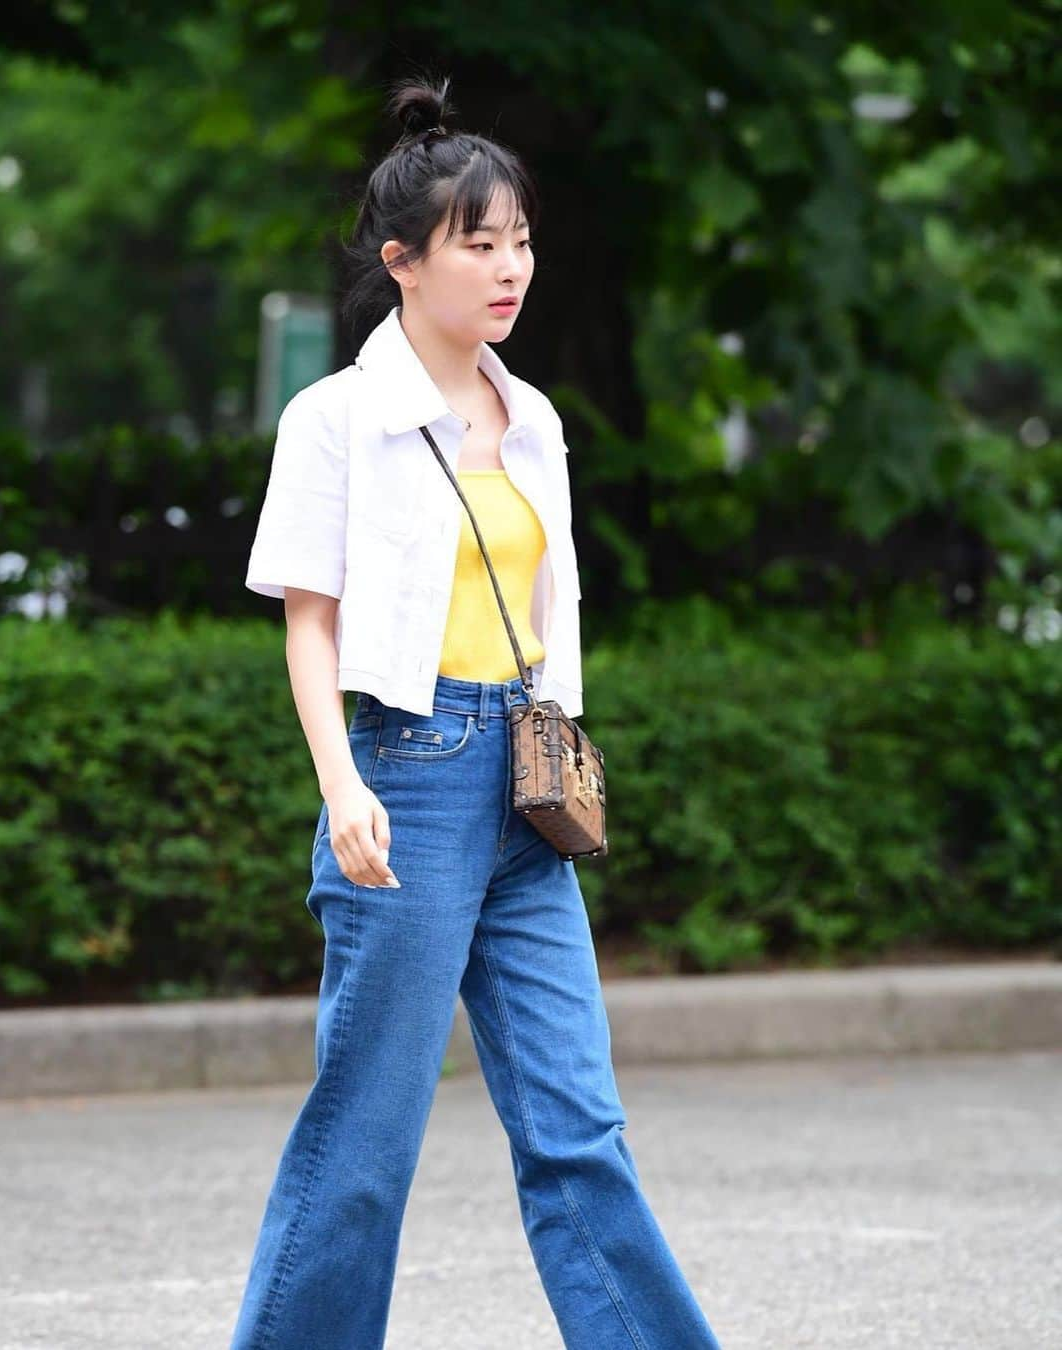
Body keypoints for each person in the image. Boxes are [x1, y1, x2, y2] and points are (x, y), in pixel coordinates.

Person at [230, 72, 723, 1350]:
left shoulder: (536, 418)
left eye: (521, 240)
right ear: (403, 262)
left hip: (520, 782)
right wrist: (344, 784)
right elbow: (311, 619)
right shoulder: (336, 418)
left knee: (580, 1129)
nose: (513, 268)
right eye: (480, 244)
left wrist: (560, 736)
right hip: (407, 771)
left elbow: (549, 610)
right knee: (367, 1143)